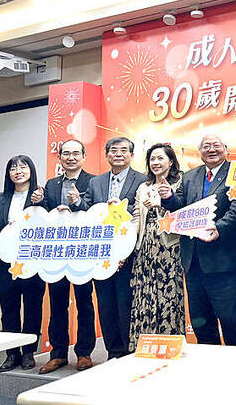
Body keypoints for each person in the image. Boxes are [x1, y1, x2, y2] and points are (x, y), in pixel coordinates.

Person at [161, 134, 236, 347]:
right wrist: (168, 197)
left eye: (215, 145)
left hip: (224, 260)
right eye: (206, 146)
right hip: (194, 262)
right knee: (201, 323)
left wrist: (219, 228)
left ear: (226, 148)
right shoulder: (191, 176)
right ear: (200, 152)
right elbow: (180, 207)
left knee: (233, 324)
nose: (211, 150)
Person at [34, 140, 96, 374]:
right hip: (56, 254)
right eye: (66, 153)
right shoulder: (51, 184)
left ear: (83, 156)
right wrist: (41, 204)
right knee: (57, 304)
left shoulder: (93, 181)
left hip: (82, 251)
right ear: (59, 157)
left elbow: (96, 211)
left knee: (84, 303)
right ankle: (58, 353)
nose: (71, 157)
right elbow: (45, 214)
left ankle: (84, 353)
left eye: (75, 153)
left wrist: (75, 206)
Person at [0, 155, 46, 372]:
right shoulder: (1, 198)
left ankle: (28, 353)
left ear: (30, 171)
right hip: (5, 259)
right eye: (13, 168)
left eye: (22, 167)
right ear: (9, 174)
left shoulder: (39, 195)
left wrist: (42, 202)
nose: (18, 171)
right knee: (9, 308)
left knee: (33, 306)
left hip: (32, 259)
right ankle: (11, 354)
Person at [83, 137, 146, 360]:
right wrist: (74, 204)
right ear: (106, 155)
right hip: (101, 255)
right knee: (106, 304)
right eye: (113, 151)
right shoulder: (96, 182)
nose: (118, 154)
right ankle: (113, 351)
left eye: (123, 151)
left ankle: (130, 351)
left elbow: (143, 218)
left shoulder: (143, 180)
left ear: (131, 155)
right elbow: (88, 211)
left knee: (126, 303)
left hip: (129, 255)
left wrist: (125, 251)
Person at [129, 143, 186, 349]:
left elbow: (183, 213)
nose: (155, 163)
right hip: (145, 246)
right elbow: (136, 217)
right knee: (145, 295)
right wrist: (126, 244)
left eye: (160, 158)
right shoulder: (143, 187)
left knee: (168, 295)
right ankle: (144, 345)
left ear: (171, 162)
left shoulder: (181, 182)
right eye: (152, 159)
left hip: (169, 247)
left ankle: (169, 346)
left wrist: (161, 205)